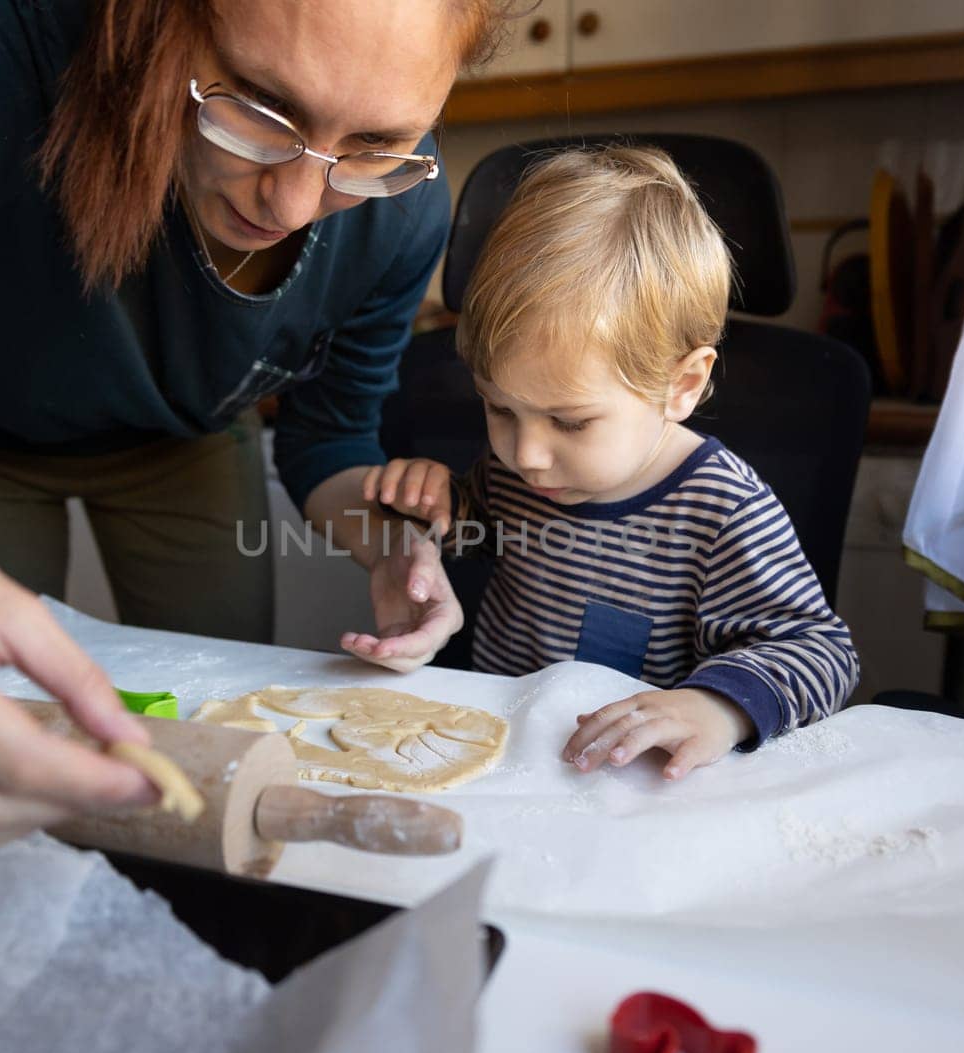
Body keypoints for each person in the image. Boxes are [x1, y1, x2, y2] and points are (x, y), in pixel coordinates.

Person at [0, 0, 518, 854]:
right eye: (259, 106)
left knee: (209, 729)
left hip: (181, 444)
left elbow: (328, 440)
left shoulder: (404, 208)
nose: (296, 203)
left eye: (374, 145)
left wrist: (388, 543)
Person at [362, 146, 861, 779]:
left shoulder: (722, 509)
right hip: (500, 758)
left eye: (570, 421)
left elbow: (821, 651)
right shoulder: (523, 476)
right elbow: (474, 528)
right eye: (499, 409)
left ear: (681, 386)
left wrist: (717, 707)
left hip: (627, 786)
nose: (525, 455)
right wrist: (429, 507)